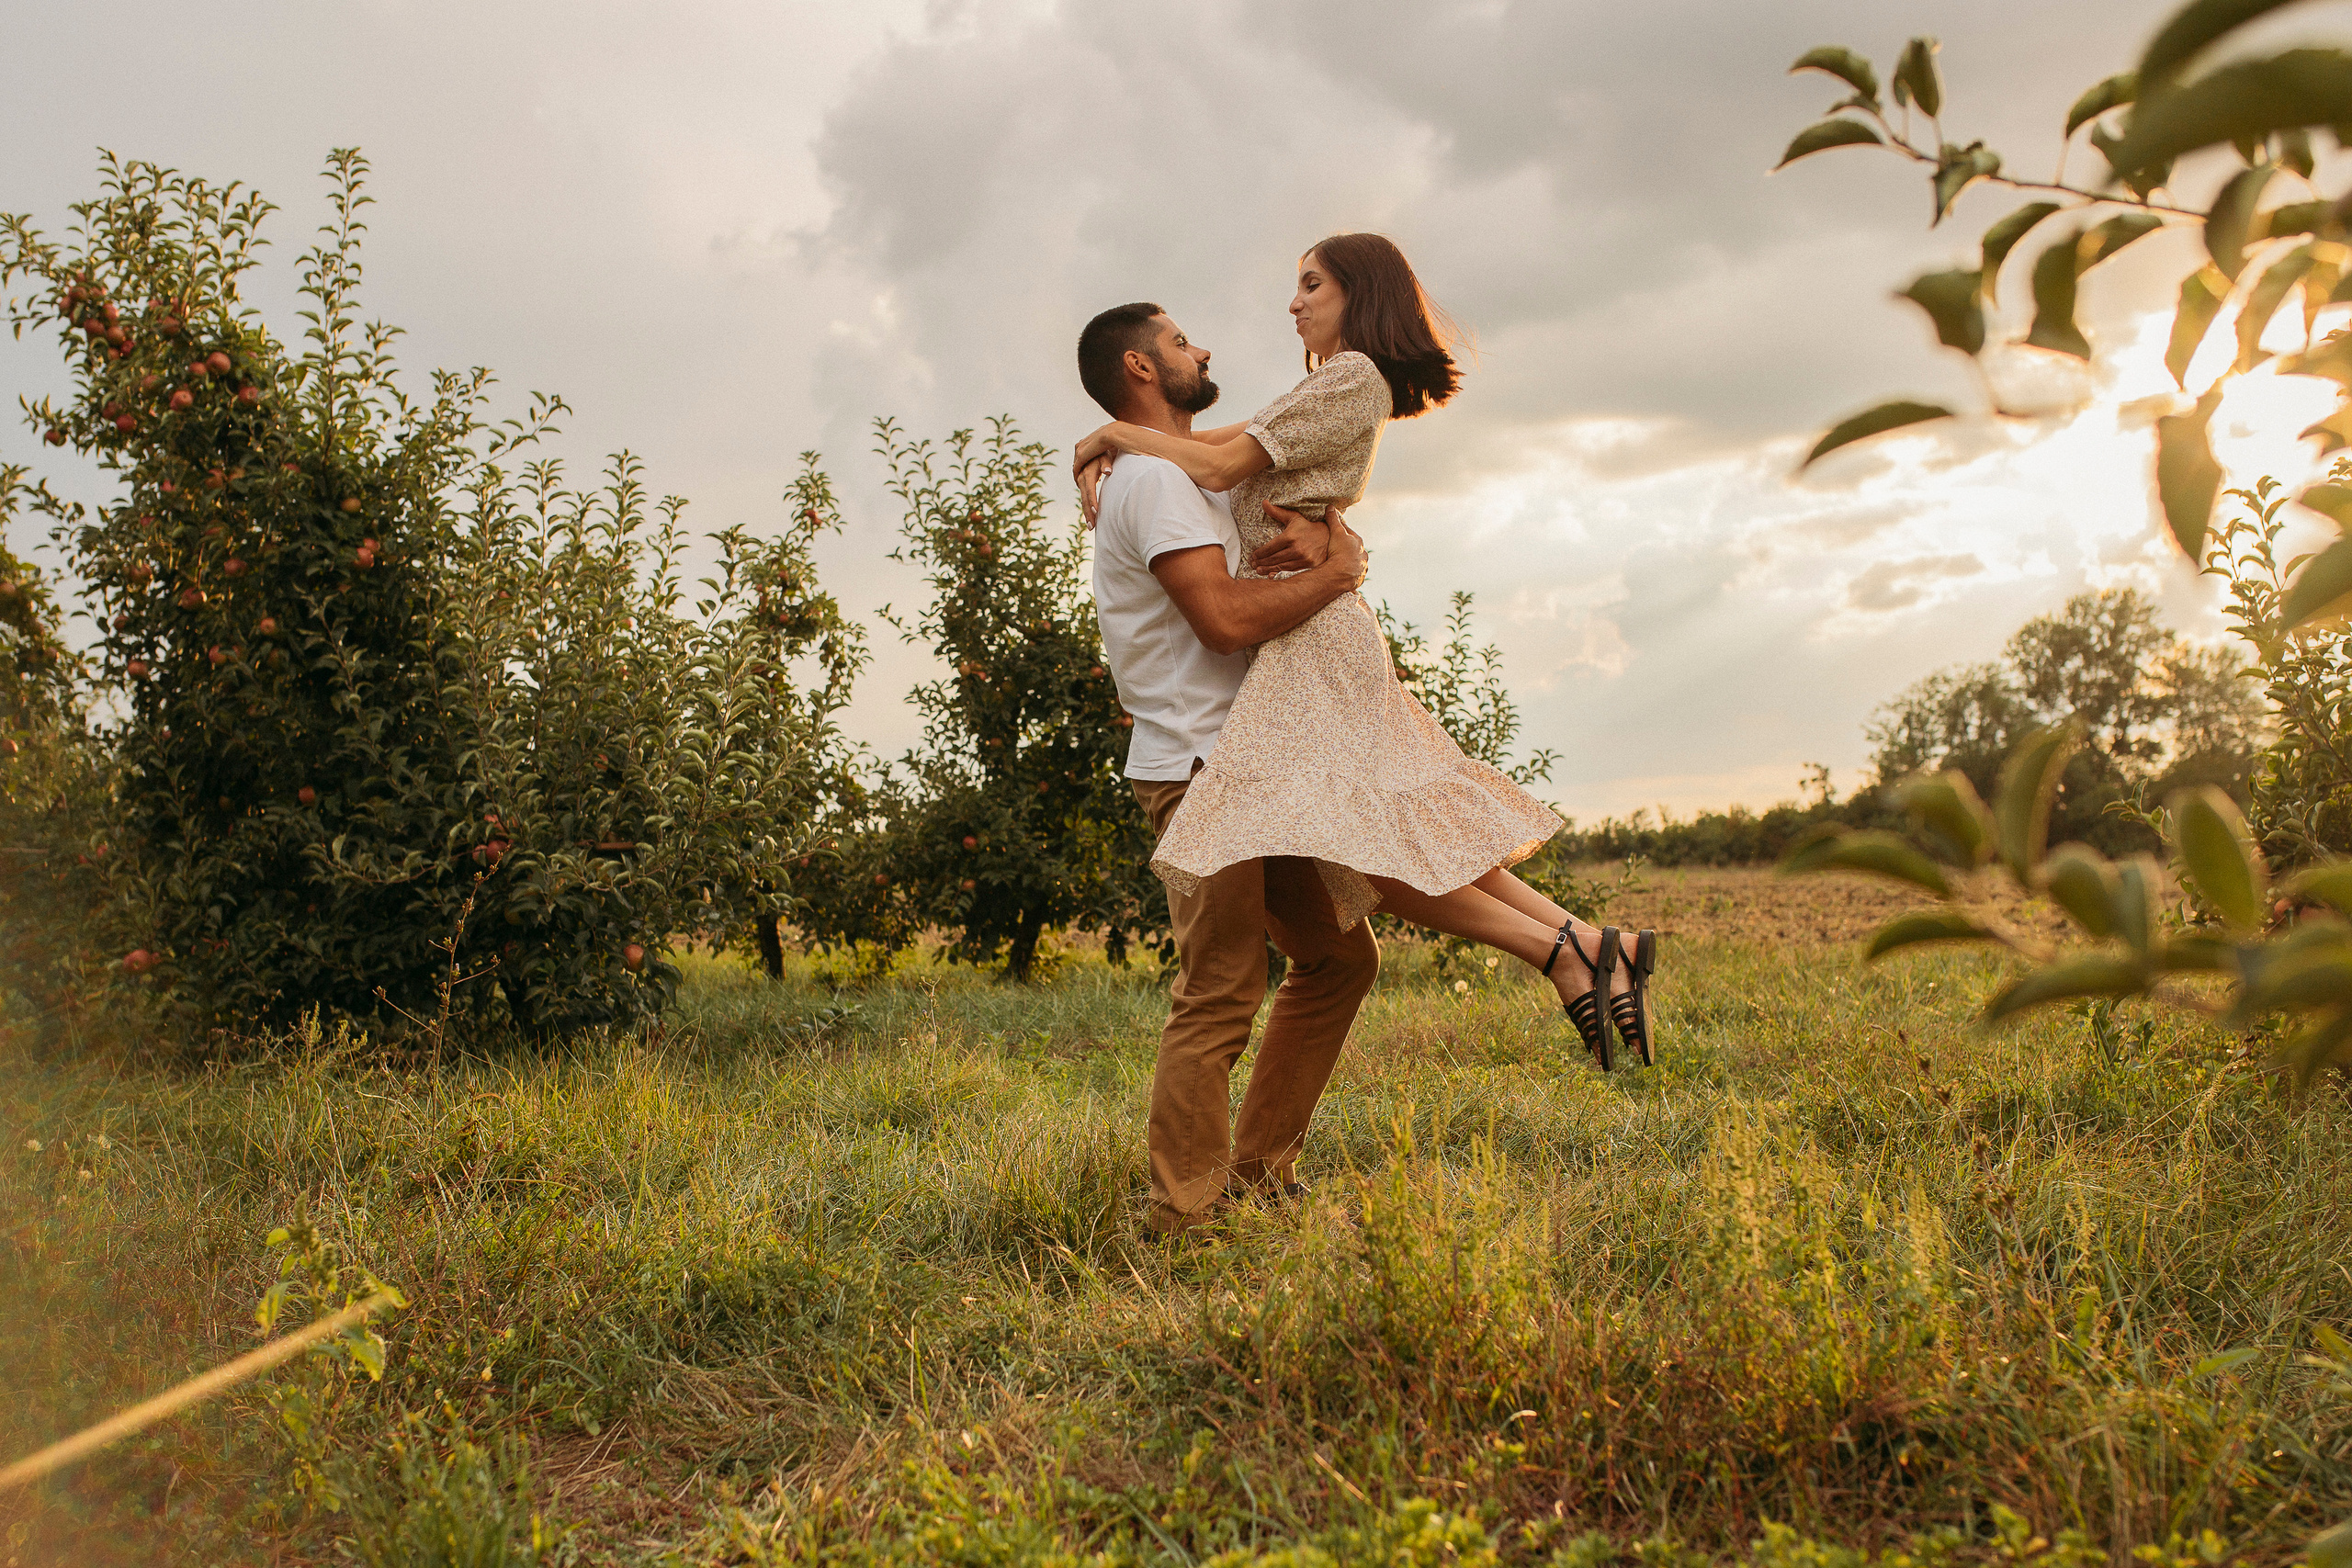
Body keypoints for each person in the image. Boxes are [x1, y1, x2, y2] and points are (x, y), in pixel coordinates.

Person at [1073, 236, 1657, 1074]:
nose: (1294, 302)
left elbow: (1218, 461)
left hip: (1312, 639)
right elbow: (1227, 450)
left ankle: (1567, 953)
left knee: (1382, 841)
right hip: (1310, 637)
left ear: (1360, 293)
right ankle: (1590, 944)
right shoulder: (1327, 386)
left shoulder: (1350, 377)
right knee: (1405, 828)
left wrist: (1112, 433)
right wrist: (1121, 441)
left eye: (1311, 284)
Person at [1079, 299, 1381, 1235]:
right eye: (1178, 342)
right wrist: (1334, 575)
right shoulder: (1156, 487)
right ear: (1139, 366)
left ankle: (1257, 1174)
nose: (1200, 348)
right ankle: (1181, 1211)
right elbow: (1218, 619)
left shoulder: (1179, 471)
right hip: (1199, 766)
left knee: (1337, 955)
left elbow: (1231, 470)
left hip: (1245, 760)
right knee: (1218, 986)